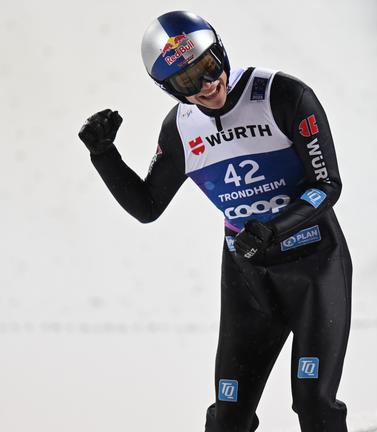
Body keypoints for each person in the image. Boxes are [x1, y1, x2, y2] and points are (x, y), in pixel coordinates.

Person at [78, 11, 351, 432]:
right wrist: (104, 156)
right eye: (188, 82)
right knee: (228, 416)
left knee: (314, 405)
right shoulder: (181, 128)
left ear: (221, 51)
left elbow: (326, 185)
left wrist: (274, 228)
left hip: (314, 267)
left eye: (209, 66)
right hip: (248, 279)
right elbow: (148, 206)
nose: (208, 85)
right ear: (168, 89)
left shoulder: (283, 95)